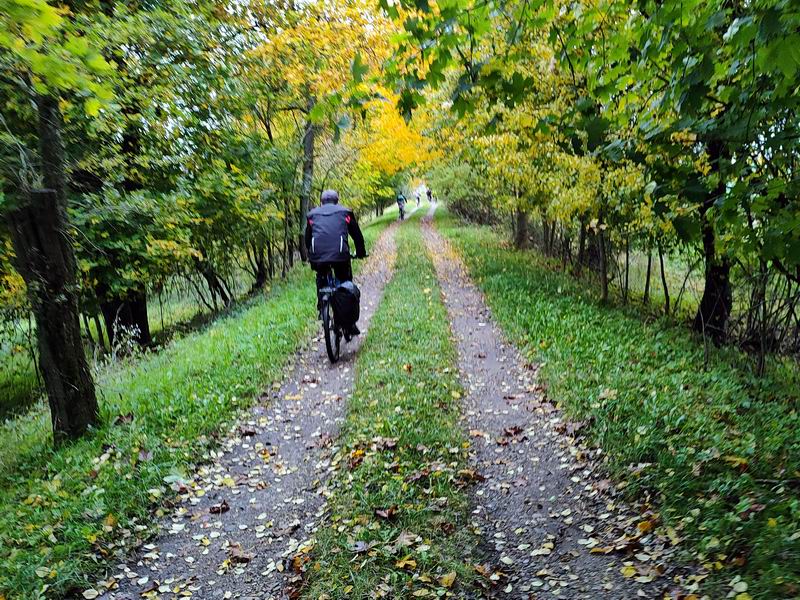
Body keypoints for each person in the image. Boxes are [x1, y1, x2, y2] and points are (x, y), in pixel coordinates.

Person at [305, 189, 366, 337]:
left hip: (317, 257)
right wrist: (360, 252)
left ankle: (322, 307)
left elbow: (307, 239)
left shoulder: (312, 215)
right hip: (340, 256)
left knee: (321, 276)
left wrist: (310, 256)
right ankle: (349, 323)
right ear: (337, 200)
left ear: (321, 201)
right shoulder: (345, 212)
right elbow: (357, 236)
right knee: (345, 282)